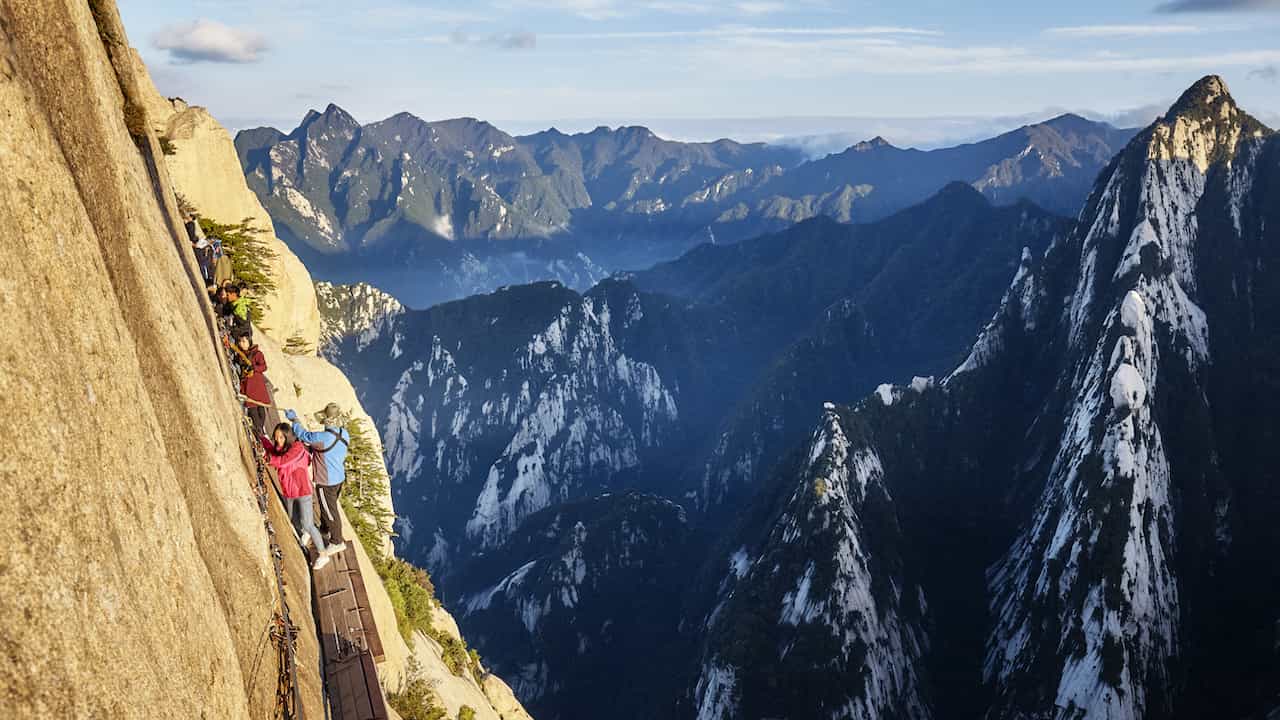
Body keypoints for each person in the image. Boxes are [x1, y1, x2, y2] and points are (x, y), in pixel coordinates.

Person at [260, 423, 330, 570]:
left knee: (309, 524)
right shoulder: (281, 449)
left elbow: (283, 461)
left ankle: (323, 554)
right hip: (290, 492)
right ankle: (305, 533)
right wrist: (262, 439)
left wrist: (267, 458)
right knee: (294, 520)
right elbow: (274, 451)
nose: (278, 439)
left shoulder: (297, 448)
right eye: (276, 437)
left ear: (288, 436)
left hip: (303, 491)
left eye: (281, 437)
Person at [286, 402, 350, 555]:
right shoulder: (344, 433)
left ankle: (337, 542)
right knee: (327, 506)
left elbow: (304, 435)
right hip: (339, 477)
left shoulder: (322, 438)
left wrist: (294, 420)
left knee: (330, 511)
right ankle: (324, 529)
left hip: (326, 481)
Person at [234, 335, 270, 436]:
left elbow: (264, 366)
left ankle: (260, 430)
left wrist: (253, 368)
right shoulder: (240, 355)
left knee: (261, 408)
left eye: (244, 341)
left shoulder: (257, 354)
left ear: (249, 342)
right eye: (240, 341)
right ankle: (259, 432)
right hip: (248, 386)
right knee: (253, 409)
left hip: (258, 385)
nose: (242, 344)